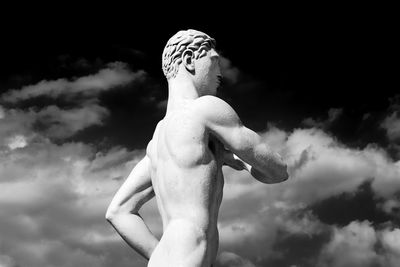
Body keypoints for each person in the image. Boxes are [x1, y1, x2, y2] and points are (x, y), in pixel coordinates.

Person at [105, 29, 289, 267]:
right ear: (190, 60)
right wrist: (236, 158)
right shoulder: (204, 109)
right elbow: (278, 170)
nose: (220, 73)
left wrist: (162, 255)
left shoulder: (156, 143)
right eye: (214, 62)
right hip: (190, 252)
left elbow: (118, 212)